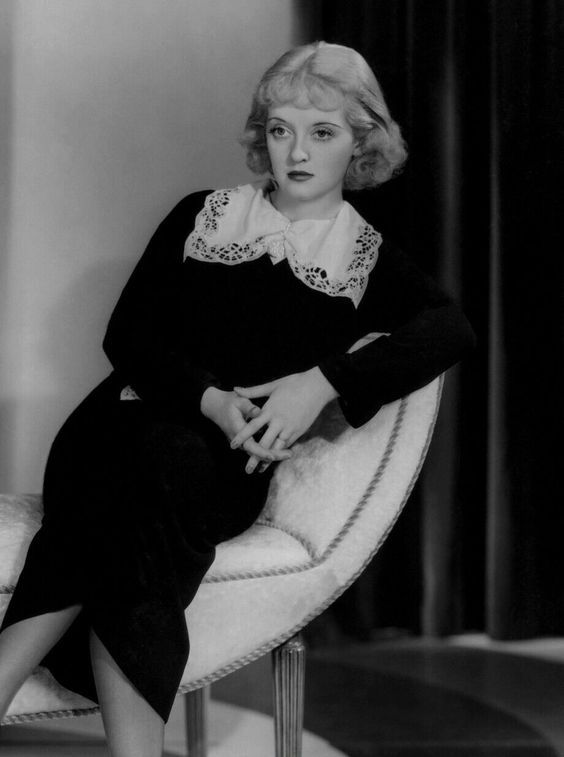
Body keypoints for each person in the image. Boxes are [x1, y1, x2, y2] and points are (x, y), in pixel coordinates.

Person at [0, 41, 475, 756]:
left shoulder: (364, 257)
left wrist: (321, 382)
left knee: (157, 485)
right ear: (263, 136)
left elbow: (451, 328)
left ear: (362, 141)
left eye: (323, 132)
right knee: (138, 474)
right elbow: (127, 334)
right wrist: (212, 401)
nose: (298, 152)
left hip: (216, 472)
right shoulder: (204, 215)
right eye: (281, 129)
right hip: (114, 427)